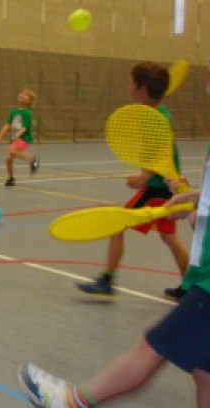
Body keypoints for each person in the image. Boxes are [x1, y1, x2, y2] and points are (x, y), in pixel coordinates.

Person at [18, 41, 210, 408]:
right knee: (208, 372)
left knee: (152, 347)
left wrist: (203, 216)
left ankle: (71, 400)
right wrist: (198, 199)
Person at [76, 62, 189, 301]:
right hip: (168, 187)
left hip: (157, 187)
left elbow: (158, 152)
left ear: (143, 89)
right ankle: (190, 286)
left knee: (116, 224)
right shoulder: (161, 113)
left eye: (131, 82)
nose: (128, 85)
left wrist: (143, 177)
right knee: (169, 237)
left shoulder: (153, 118)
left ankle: (107, 280)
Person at [0, 88, 40, 187]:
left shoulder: (28, 113)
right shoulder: (13, 111)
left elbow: (26, 127)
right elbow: (7, 124)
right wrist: (0, 135)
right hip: (13, 138)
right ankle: (11, 178)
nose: (22, 95)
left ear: (30, 101)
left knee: (12, 150)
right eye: (21, 93)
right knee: (9, 159)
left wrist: (18, 134)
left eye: (26, 95)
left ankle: (32, 159)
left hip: (23, 138)